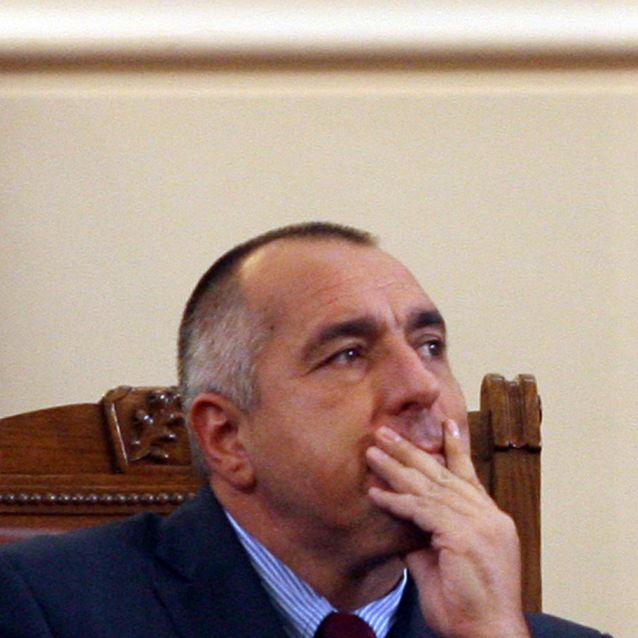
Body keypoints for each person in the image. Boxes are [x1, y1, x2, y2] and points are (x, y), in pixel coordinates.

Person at [0, 222, 610, 638]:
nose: (421, 387)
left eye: (430, 345)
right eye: (349, 354)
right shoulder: (43, 608)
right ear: (227, 438)